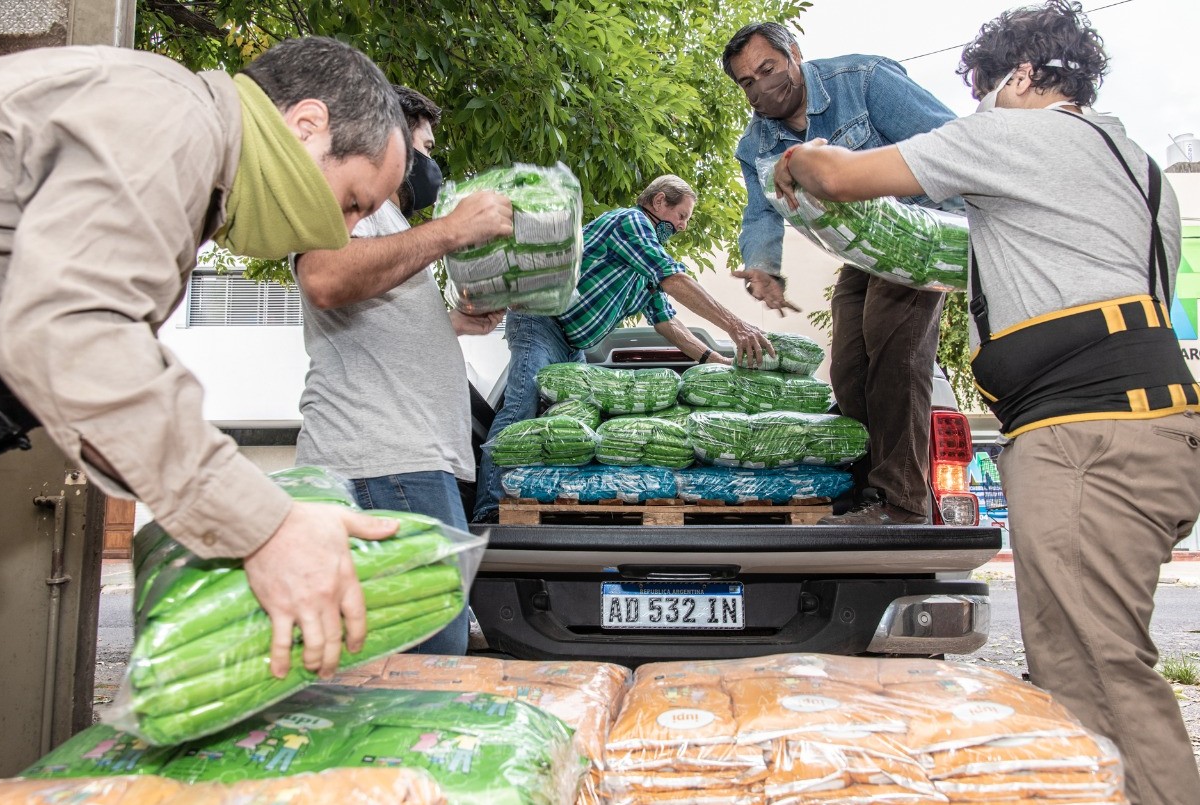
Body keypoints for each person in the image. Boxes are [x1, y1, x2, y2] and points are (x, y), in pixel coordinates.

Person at [0, 37, 409, 773]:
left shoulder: (183, 157)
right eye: (351, 203)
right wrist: (265, 524)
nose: (340, 233)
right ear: (306, 125)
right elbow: (77, 335)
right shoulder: (169, 117)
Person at [771, 2, 1200, 801]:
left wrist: (796, 157)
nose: (980, 106)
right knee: (1081, 657)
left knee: (1098, 669)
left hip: (1085, 438)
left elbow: (842, 178)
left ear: (1025, 75)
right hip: (1158, 431)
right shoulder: (1141, 171)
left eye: (986, 89)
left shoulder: (1014, 135)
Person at [294, 86, 513, 655]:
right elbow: (325, 277)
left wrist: (451, 323)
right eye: (424, 146)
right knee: (427, 663)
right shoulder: (347, 201)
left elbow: (374, 316)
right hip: (385, 461)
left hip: (402, 463)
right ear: (385, 139)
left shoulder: (387, 220)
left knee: (402, 662)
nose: (429, 163)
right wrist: (452, 230)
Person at [722, 22, 959, 525]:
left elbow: (946, 143)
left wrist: (967, 233)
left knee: (893, 347)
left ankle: (901, 501)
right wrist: (763, 267)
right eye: (747, 82)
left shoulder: (864, 80)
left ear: (794, 53)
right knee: (849, 365)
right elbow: (760, 212)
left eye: (768, 69)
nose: (762, 87)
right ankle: (863, 487)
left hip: (922, 231)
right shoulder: (756, 143)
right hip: (865, 252)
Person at [471, 175, 776, 524]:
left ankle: (555, 506)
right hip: (539, 321)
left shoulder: (644, 263)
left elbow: (667, 323)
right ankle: (489, 509)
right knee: (522, 405)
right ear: (659, 202)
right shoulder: (629, 222)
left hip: (573, 345)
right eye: (682, 216)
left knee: (572, 427)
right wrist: (736, 327)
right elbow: (672, 277)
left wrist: (715, 360)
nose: (682, 226)